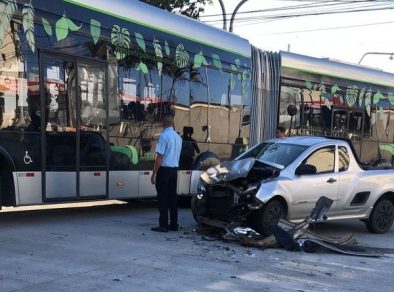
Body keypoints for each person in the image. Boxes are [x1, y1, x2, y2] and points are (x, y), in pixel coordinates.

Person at [151, 114, 182, 233]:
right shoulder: (178, 137)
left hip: (164, 171)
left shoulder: (164, 136)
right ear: (172, 123)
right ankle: (174, 224)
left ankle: (163, 225)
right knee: (173, 198)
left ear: (163, 124)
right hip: (174, 170)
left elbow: (159, 157)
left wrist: (154, 173)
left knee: (162, 198)